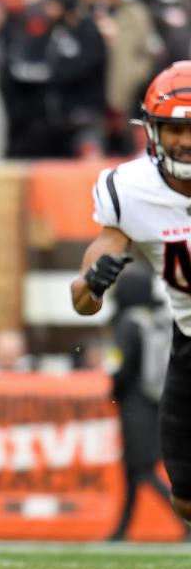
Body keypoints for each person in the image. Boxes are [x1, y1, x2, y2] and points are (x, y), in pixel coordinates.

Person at [70, 60, 191, 530]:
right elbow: (83, 299)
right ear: (151, 130)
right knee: (184, 498)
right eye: (170, 129)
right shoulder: (131, 190)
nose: (182, 140)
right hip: (187, 337)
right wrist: (92, 283)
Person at [106, 264, 175, 541]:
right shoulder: (156, 318)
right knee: (133, 470)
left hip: (135, 403)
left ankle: (186, 520)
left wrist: (113, 391)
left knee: (143, 469)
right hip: (157, 400)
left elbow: (120, 368)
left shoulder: (128, 322)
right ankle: (120, 531)